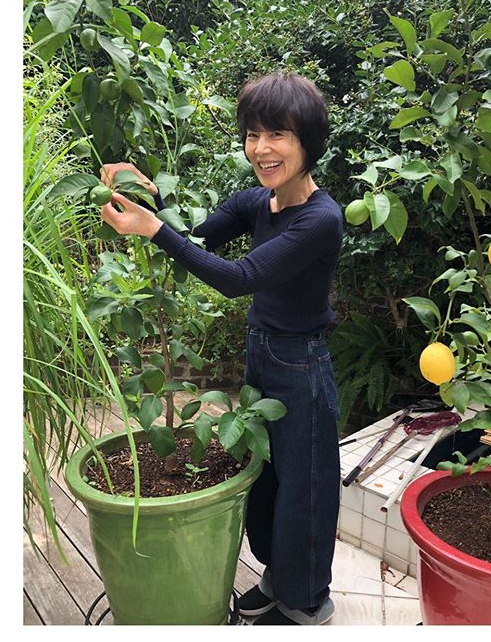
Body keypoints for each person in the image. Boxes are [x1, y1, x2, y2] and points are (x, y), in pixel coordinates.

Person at [100, 72, 343, 625]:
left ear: (308, 141)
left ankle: (308, 599)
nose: (261, 148)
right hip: (263, 354)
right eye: (253, 134)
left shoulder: (320, 220)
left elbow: (239, 277)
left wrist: (153, 229)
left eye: (277, 134)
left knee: (305, 486)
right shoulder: (257, 202)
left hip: (300, 362)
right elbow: (197, 236)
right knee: (267, 476)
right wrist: (147, 195)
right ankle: (281, 578)